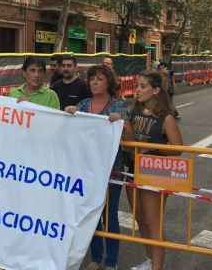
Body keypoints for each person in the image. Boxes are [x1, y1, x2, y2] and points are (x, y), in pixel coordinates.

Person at [65, 65, 131, 270]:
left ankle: (111, 261)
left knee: (109, 216)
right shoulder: (83, 104)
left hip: (111, 171)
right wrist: (69, 113)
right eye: (92, 79)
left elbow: (129, 138)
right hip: (86, 171)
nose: (94, 82)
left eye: (99, 79)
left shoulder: (118, 105)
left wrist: (123, 123)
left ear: (108, 82)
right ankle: (95, 258)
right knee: (89, 215)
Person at [126, 71, 183, 270]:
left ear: (156, 90)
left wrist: (151, 150)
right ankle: (151, 261)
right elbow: (131, 140)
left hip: (155, 173)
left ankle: (157, 267)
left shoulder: (165, 117)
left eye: (143, 86)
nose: (137, 90)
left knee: (153, 222)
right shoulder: (134, 111)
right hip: (133, 169)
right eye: (137, 86)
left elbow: (178, 150)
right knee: (140, 219)